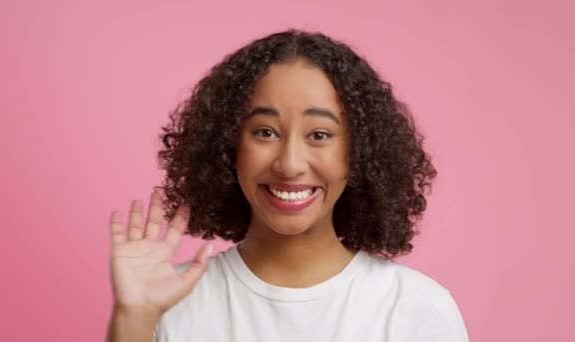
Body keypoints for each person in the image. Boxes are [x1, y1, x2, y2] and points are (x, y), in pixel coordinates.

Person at [106, 29, 469, 342]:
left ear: (357, 153)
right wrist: (133, 317)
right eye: (265, 132)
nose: (290, 164)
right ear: (229, 146)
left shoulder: (417, 309)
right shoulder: (169, 300)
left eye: (319, 134)